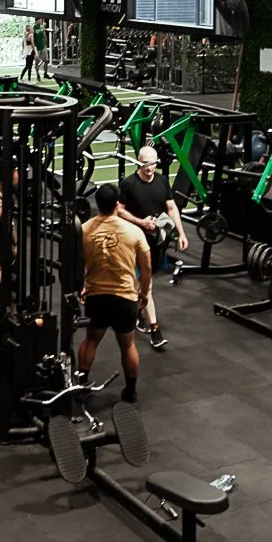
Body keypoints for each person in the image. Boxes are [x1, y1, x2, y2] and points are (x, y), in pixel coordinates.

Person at [76, 183, 152, 403]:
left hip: (97, 295)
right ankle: (130, 391)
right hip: (124, 297)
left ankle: (82, 386)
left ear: (96, 203)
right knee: (127, 344)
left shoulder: (85, 229)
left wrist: (82, 284)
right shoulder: (133, 231)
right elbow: (146, 267)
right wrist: (145, 292)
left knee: (91, 340)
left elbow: (78, 260)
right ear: (117, 204)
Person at [115, 145, 188, 350]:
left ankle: (137, 312)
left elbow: (171, 208)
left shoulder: (162, 181)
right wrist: (141, 222)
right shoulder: (128, 184)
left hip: (157, 242)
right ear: (139, 162)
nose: (149, 168)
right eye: (146, 164)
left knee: (145, 283)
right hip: (135, 241)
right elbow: (119, 211)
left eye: (153, 164)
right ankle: (156, 330)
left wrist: (181, 233)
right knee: (146, 286)